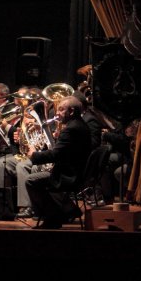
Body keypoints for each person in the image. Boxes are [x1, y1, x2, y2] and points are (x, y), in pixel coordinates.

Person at [25, 96, 92, 229]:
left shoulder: (71, 129)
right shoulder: (80, 125)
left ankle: (53, 218)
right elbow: (63, 152)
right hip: (75, 171)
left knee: (31, 180)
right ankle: (68, 209)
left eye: (61, 110)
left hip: (68, 176)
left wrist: (34, 155)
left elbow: (55, 154)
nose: (57, 113)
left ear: (71, 111)